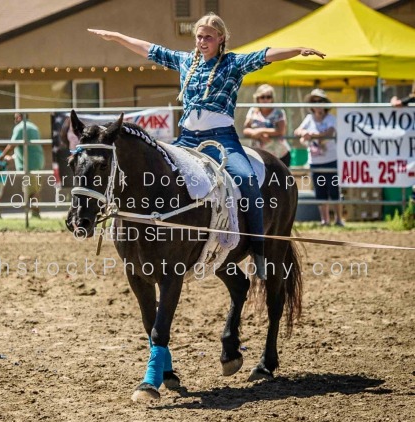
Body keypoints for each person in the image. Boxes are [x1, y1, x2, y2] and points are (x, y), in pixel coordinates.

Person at [88, 14, 325, 280]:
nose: (202, 41)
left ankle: (258, 249)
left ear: (221, 39)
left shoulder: (232, 63)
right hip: (187, 137)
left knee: (247, 179)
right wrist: (117, 37)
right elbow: (148, 49)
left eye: (208, 37)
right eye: (199, 36)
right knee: (156, 174)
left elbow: (265, 54)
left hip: (222, 139)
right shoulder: (185, 60)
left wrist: (297, 50)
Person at [294, 89, 344, 227]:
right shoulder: (309, 118)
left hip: (331, 159)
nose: (318, 104)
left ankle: (339, 219)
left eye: (320, 101)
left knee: (334, 190)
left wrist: (310, 135)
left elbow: (329, 132)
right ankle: (325, 220)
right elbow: (297, 131)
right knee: (320, 191)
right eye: (315, 101)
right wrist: (305, 133)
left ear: (325, 104)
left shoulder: (331, 119)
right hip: (315, 161)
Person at [1, 113, 45, 219]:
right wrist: (14, 157)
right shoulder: (34, 127)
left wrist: (2, 155)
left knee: (30, 190)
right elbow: (28, 147)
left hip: (28, 164)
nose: (14, 120)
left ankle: (35, 213)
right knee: (34, 188)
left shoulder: (20, 127)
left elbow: (13, 144)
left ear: (20, 117)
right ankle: (34, 212)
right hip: (38, 162)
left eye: (15, 117)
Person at [243, 84, 291, 167]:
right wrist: (258, 136)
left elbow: (281, 131)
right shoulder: (252, 111)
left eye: (268, 97)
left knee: (279, 179)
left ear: (272, 99)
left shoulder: (279, 112)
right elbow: (245, 130)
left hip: (279, 155)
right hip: (259, 156)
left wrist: (260, 131)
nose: (265, 99)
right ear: (257, 98)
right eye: (262, 97)